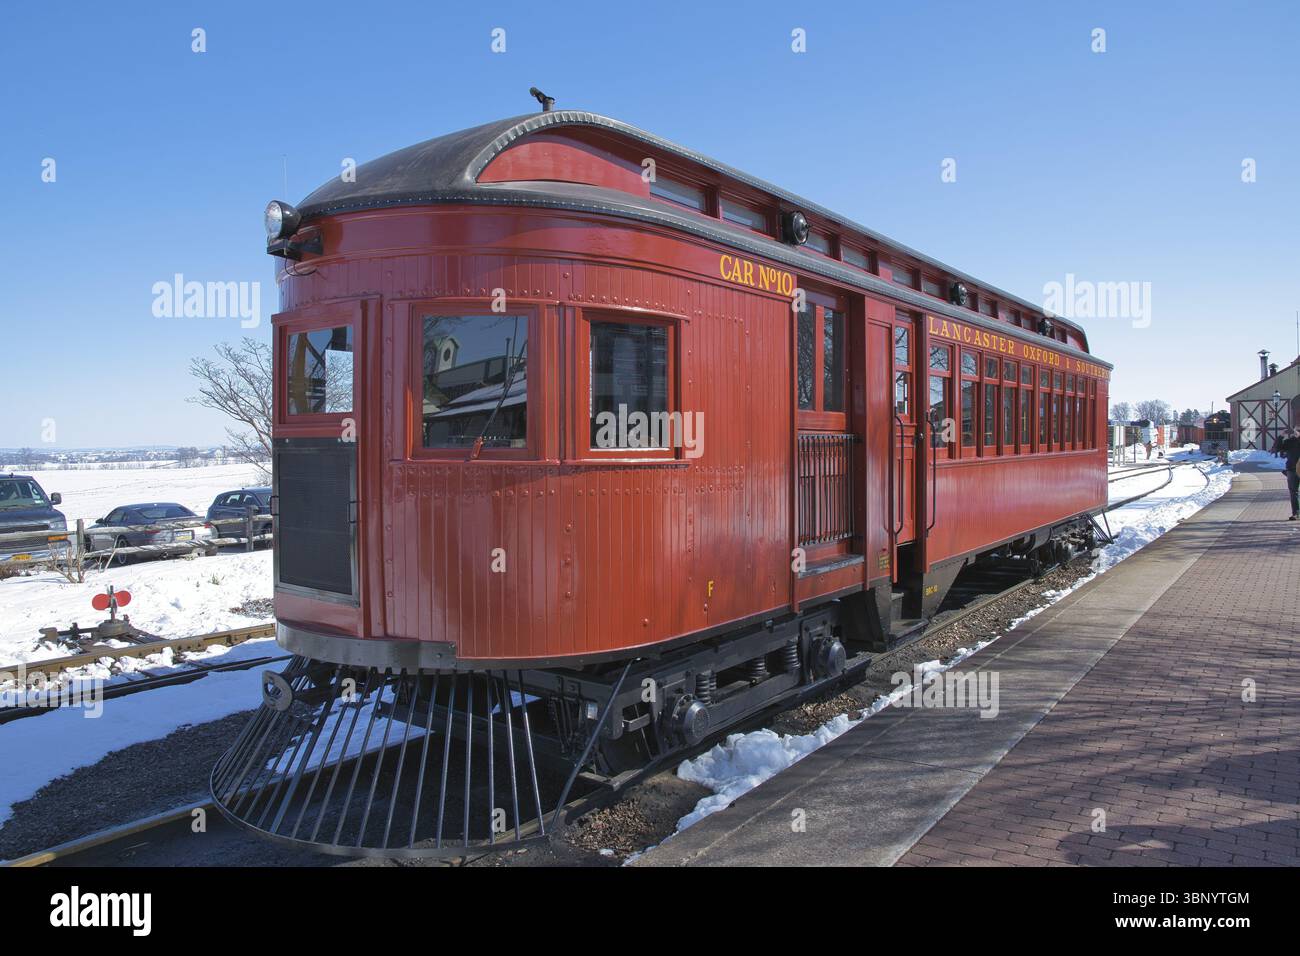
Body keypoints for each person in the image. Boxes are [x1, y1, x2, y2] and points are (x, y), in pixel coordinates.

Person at [1276, 430, 1300, 520]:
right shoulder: (1289, 442)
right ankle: (1296, 513)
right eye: (1296, 430)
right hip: (1292, 470)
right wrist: (1281, 436)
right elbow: (1278, 448)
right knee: (1294, 492)